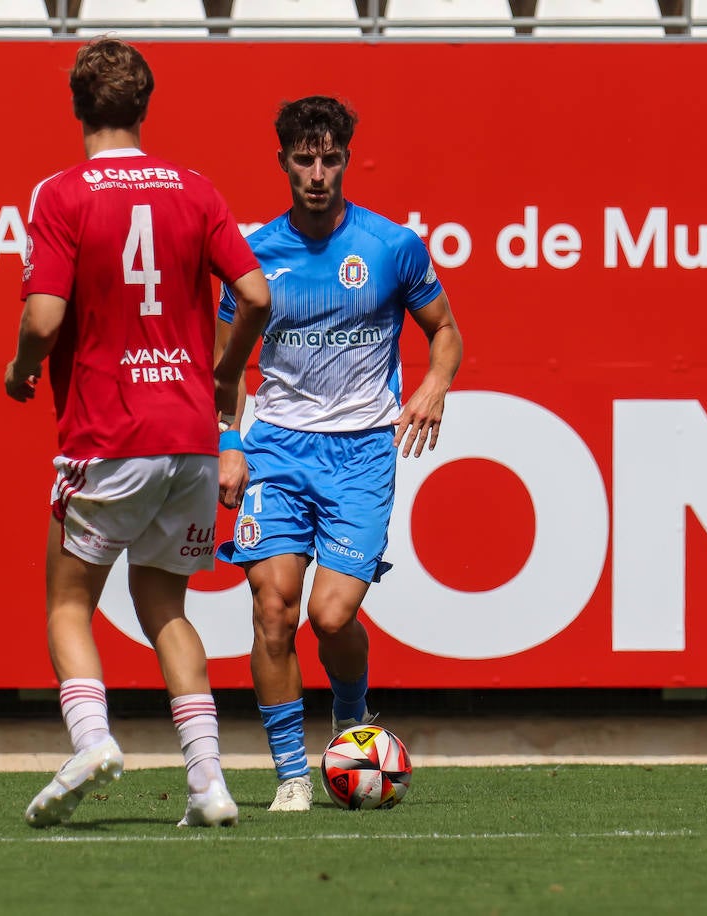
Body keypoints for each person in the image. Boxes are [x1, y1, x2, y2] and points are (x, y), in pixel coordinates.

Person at [4, 38, 271, 829]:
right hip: (190, 436)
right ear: (145, 106)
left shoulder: (62, 193)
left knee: (66, 605)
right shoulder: (193, 188)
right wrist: (224, 379)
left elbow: (44, 316)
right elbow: (254, 294)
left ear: (79, 107)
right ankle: (209, 784)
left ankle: (91, 740)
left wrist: (20, 369)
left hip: (108, 431)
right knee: (165, 607)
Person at [215, 96, 464, 812]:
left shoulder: (391, 247)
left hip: (360, 455)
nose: (317, 173)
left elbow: (444, 330)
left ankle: (352, 719)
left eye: (330, 159)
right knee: (272, 609)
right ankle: (292, 775)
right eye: (304, 159)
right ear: (284, 162)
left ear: (347, 160)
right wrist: (230, 444)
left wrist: (434, 386)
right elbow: (222, 369)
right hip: (278, 452)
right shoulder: (255, 255)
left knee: (328, 617)